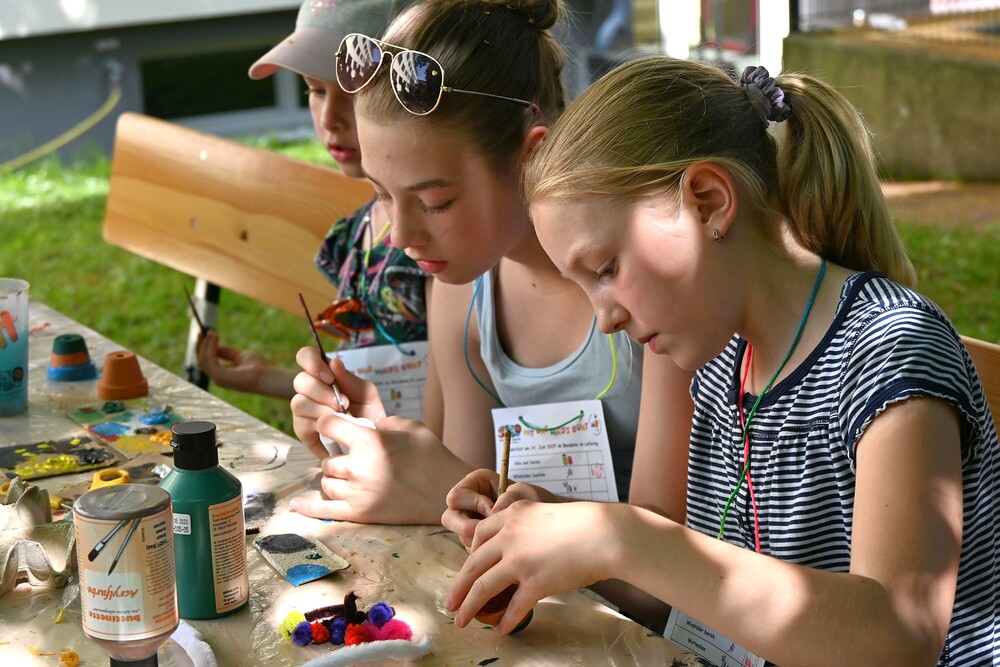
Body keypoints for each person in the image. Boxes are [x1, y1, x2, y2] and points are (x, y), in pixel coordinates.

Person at [442, 56, 1000, 665]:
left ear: (707, 202)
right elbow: (697, 594)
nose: (605, 319)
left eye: (606, 269)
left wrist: (624, 537)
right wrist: (564, 533)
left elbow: (898, 634)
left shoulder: (892, 352)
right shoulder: (719, 362)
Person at [289, 0, 692, 548]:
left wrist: (442, 487)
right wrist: (376, 443)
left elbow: (666, 558)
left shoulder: (644, 287)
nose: (401, 236)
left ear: (531, 158)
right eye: (381, 194)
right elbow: (464, 516)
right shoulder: (463, 293)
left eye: (434, 202)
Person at [196, 0, 428, 402]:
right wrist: (265, 378)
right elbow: (371, 386)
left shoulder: (437, 241)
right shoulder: (358, 230)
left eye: (353, 91)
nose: (328, 118)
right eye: (315, 90)